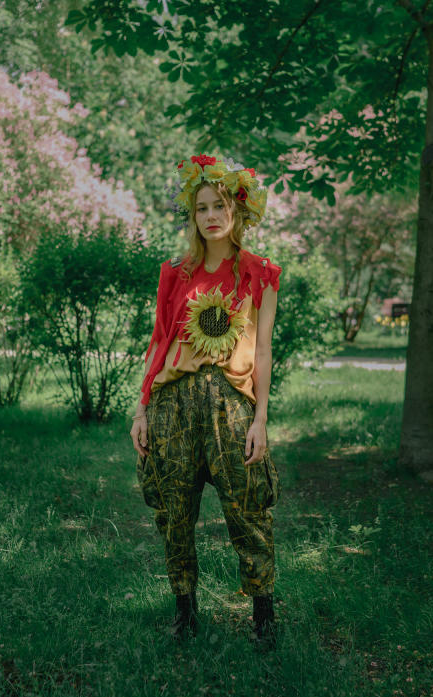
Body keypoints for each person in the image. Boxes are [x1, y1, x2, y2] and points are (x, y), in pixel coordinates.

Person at [130, 154, 281, 643]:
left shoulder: (260, 273)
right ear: (192, 215)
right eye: (201, 208)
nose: (211, 215)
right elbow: (158, 341)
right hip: (173, 403)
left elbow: (262, 348)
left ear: (237, 210)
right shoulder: (175, 271)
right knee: (175, 513)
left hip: (230, 406)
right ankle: (185, 613)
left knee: (247, 508)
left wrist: (259, 418)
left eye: (219, 205)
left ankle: (264, 617)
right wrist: (142, 408)